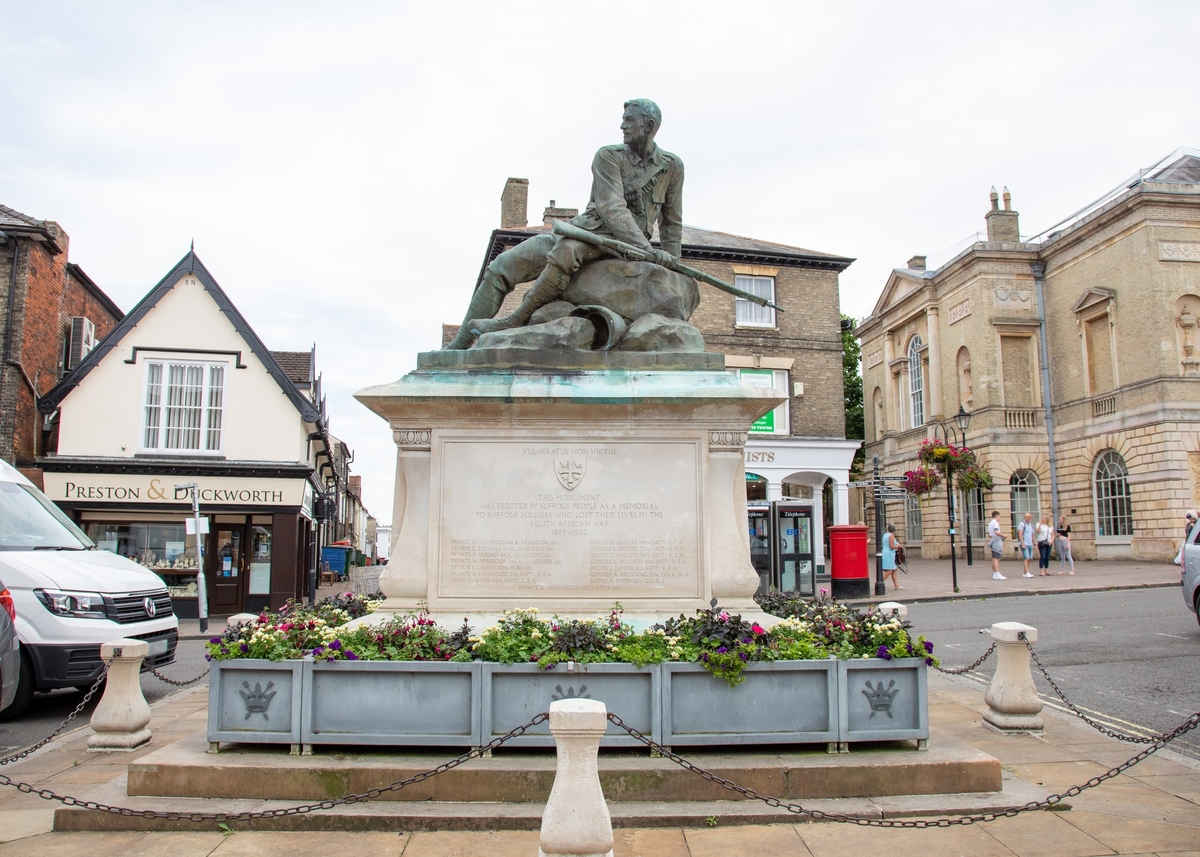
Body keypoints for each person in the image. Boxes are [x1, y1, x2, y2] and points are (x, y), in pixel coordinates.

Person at [444, 98, 685, 350]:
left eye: (629, 121)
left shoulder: (672, 166)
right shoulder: (608, 156)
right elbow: (611, 208)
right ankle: (461, 341)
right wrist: (648, 250)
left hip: (620, 245)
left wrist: (673, 265)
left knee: (567, 252)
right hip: (589, 230)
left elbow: (671, 222)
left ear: (648, 125)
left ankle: (518, 317)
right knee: (502, 265)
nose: (622, 126)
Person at [881, 523, 903, 591]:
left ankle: (896, 585)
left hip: (885, 552)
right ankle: (880, 582)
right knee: (889, 570)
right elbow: (892, 546)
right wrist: (898, 546)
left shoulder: (885, 535)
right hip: (889, 554)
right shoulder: (891, 536)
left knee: (894, 570)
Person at [987, 510, 1006, 580]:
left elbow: (989, 534)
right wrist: (1003, 535)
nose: (999, 518)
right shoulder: (995, 523)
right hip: (996, 540)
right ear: (997, 516)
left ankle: (995, 573)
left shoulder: (990, 523)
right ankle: (997, 573)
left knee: (994, 558)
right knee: (997, 558)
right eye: (999, 516)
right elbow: (997, 532)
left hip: (992, 540)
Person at [1016, 512, 1035, 578]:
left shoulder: (1031, 525)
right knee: (1026, 558)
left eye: (1029, 517)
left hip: (1030, 544)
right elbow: (1020, 534)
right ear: (1024, 517)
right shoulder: (1022, 524)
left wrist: (1034, 543)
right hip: (1024, 544)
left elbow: (1032, 535)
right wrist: (1022, 543)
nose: (1028, 518)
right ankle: (1027, 572)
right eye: (1026, 517)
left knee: (1029, 559)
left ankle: (1025, 572)